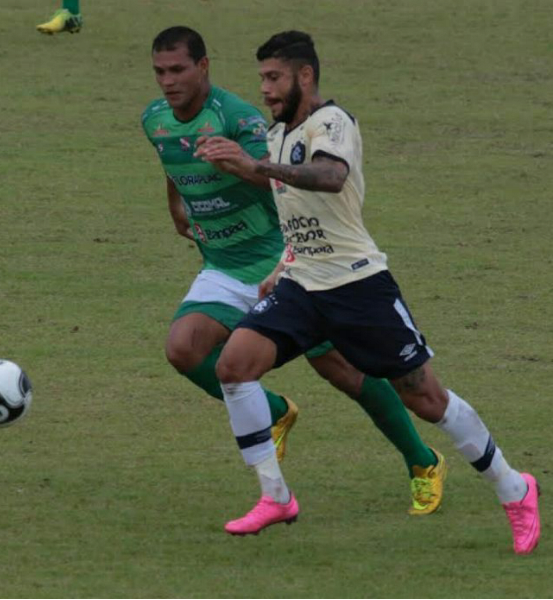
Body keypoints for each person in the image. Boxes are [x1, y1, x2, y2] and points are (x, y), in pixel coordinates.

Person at [195, 31, 541, 554]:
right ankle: (277, 496)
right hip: (302, 287)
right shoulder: (276, 135)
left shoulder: (332, 123)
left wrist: (255, 168)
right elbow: (299, 213)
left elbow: (330, 179)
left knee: (426, 399)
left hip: (359, 288)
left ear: (304, 76)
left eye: (273, 78)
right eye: (262, 77)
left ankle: (515, 489)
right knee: (233, 367)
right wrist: (280, 265)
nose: (264, 89)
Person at [142, 26, 446, 514]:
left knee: (345, 373)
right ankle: (275, 411)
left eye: (177, 70)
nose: (167, 82)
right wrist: (176, 204)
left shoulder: (240, 119)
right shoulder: (155, 119)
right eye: (159, 71)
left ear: (203, 67)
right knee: (184, 348)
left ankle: (422, 461)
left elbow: (284, 187)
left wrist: (239, 165)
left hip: (280, 262)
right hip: (222, 264)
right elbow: (171, 160)